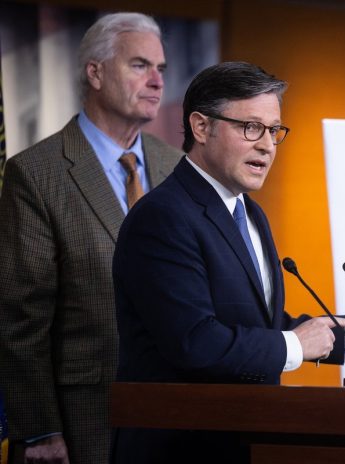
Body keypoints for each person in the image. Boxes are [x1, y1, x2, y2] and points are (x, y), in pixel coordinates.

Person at [111, 61, 345, 463]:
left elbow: (256, 325)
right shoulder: (164, 216)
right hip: (181, 450)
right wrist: (294, 345)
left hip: (253, 442)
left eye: (274, 131)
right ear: (201, 127)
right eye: (251, 128)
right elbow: (195, 342)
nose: (267, 145)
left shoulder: (250, 213)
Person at [0, 12, 182, 464]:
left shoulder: (177, 167)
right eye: (140, 65)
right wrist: (40, 430)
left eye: (161, 68)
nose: (157, 80)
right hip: (85, 418)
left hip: (173, 417)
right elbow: (21, 318)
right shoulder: (35, 173)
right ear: (95, 73)